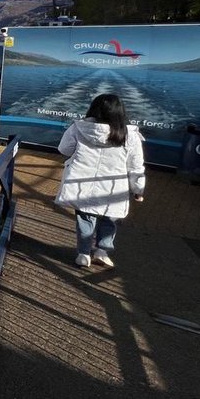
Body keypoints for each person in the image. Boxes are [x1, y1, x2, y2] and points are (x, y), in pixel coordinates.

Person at [54, 94, 145, 268]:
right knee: (110, 218)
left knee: (86, 218)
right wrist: (138, 190)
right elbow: (136, 167)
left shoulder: (78, 128)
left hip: (81, 184)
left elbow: (63, 149)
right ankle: (102, 252)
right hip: (113, 187)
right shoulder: (130, 136)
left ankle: (83, 254)